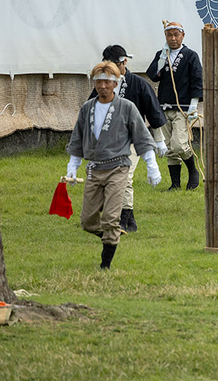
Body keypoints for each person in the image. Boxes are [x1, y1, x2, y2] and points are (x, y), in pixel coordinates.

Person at [66, 62, 160, 269]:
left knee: (110, 218)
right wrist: (73, 165)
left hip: (118, 168)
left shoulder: (127, 108)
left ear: (116, 84)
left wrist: (152, 165)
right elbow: (77, 138)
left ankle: (105, 264)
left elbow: (142, 138)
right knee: (88, 221)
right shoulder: (87, 108)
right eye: (99, 82)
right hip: (94, 168)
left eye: (107, 82)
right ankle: (111, 235)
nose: (103, 86)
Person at [91, 45, 167, 234]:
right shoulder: (104, 84)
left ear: (124, 62)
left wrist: (159, 140)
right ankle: (127, 217)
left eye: (115, 65)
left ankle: (123, 219)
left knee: (125, 176)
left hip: (133, 139)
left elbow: (153, 112)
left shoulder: (139, 84)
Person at [145, 21, 203, 191]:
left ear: (182, 35)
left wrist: (193, 105)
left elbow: (197, 81)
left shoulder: (190, 55)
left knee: (179, 144)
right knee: (169, 146)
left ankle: (193, 170)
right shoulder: (162, 54)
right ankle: (175, 183)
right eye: (169, 35)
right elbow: (153, 76)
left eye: (176, 34)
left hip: (183, 107)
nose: (172, 38)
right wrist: (162, 58)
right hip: (164, 106)